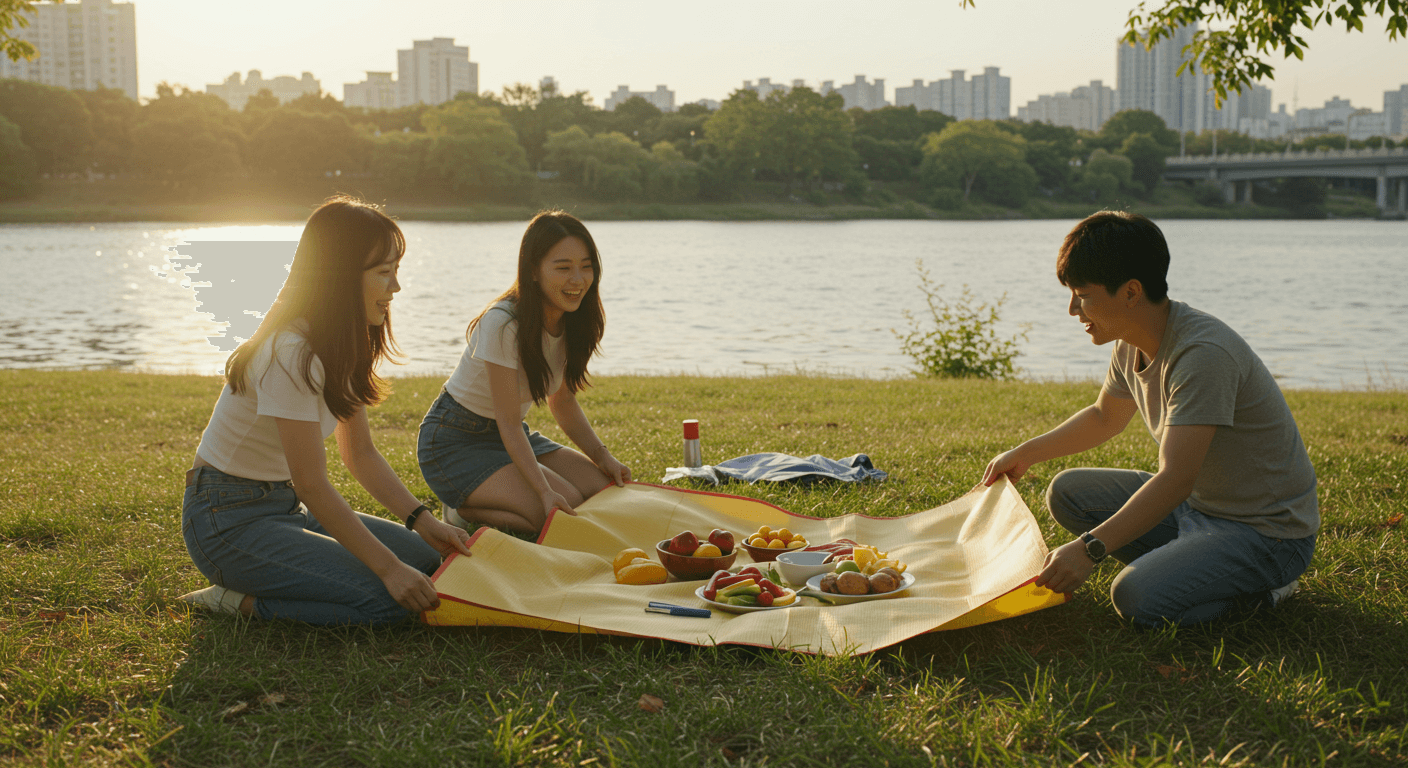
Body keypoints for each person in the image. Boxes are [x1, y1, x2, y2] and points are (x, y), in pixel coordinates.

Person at [982, 211, 1317, 628]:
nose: (1072, 309)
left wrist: (1089, 549)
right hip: (1198, 510)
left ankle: (1265, 593)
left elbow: (1176, 478)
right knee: (1068, 493)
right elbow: (1105, 417)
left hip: (1265, 534)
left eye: (1082, 295)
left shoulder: (1202, 355)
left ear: (1131, 292)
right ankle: (1189, 563)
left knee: (1136, 597)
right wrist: (1025, 453)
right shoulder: (1130, 341)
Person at [179, 197, 472, 625]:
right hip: (226, 524)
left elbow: (361, 455)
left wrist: (422, 521)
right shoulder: (290, 353)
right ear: (340, 278)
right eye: (384, 273)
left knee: (430, 564)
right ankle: (234, 601)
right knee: (395, 601)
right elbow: (313, 483)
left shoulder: (340, 345)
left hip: (285, 510)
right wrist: (388, 569)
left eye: (396, 271)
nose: (396, 288)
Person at [418, 210, 631, 536]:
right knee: (562, 510)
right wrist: (545, 491)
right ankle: (463, 512)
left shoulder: (573, 319)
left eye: (586, 266)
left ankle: (504, 497)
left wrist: (604, 458)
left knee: (602, 491)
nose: (577, 280)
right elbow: (507, 420)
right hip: (454, 440)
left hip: (512, 435)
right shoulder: (502, 323)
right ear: (533, 270)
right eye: (563, 268)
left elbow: (562, 401)